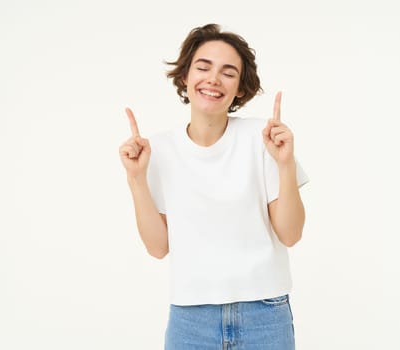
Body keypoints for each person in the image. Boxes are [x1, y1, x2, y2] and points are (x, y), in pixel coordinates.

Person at [119, 23, 309, 350]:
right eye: (203, 67)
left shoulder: (263, 138)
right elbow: (157, 247)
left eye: (228, 72)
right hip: (190, 318)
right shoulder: (158, 150)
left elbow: (290, 234)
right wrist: (136, 178)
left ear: (240, 88)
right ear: (185, 77)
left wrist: (285, 164)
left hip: (264, 313)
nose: (213, 79)